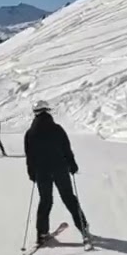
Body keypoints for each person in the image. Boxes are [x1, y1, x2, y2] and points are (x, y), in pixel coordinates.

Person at [24, 100, 87, 243]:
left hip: (42, 172)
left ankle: (42, 233)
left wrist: (31, 173)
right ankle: (83, 227)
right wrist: (72, 165)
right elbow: (66, 149)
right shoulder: (57, 129)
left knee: (45, 201)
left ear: (35, 114)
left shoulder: (30, 133)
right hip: (60, 169)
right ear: (48, 111)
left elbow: (30, 156)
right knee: (69, 198)